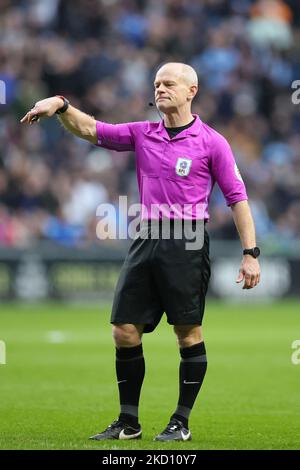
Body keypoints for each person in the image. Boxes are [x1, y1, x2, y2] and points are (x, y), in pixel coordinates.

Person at [20, 62, 261, 442]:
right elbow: (91, 129)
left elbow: (238, 199)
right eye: (156, 84)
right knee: (124, 330)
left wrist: (251, 252)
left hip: (188, 240)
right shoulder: (142, 133)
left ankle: (180, 422)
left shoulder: (212, 141)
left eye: (168, 83)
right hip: (146, 235)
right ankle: (128, 423)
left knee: (187, 332)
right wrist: (62, 106)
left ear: (191, 90)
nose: (160, 89)